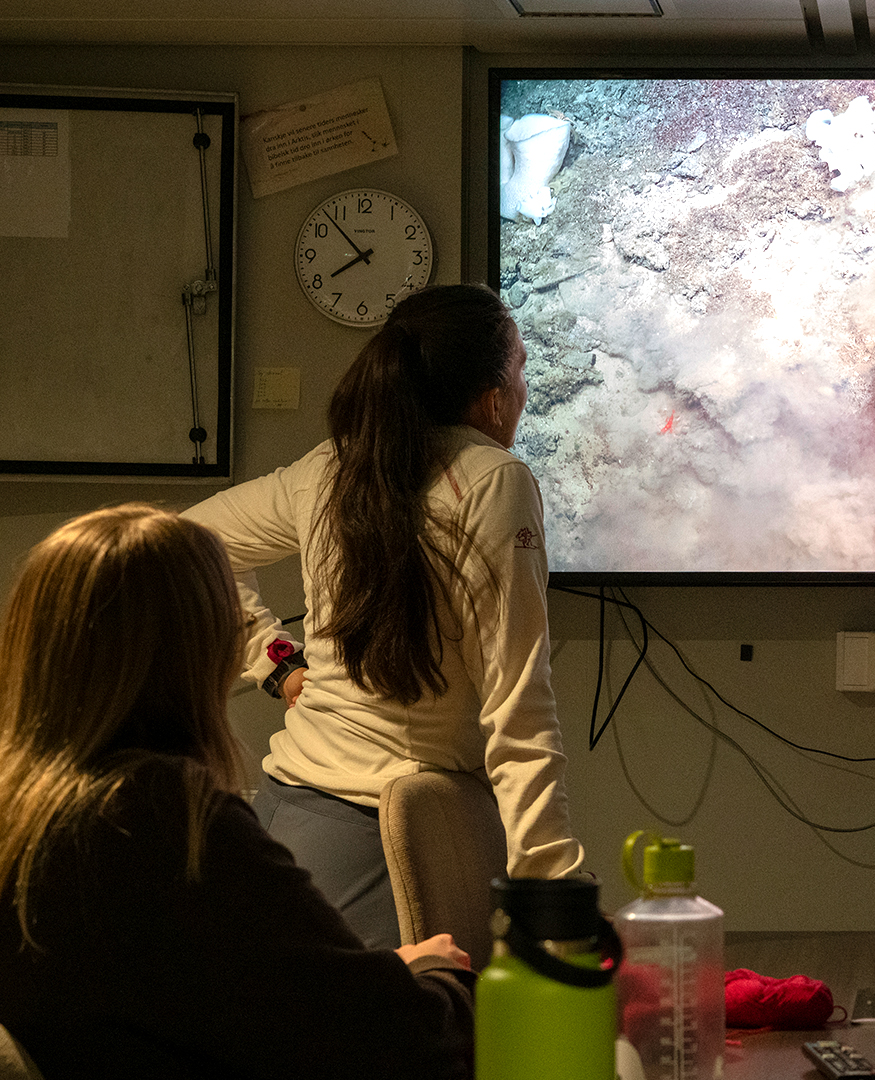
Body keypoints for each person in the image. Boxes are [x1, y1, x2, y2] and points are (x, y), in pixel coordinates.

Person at [0, 505, 476, 1079]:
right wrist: (444, 980)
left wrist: (378, 973)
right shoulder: (163, 817)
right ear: (198, 650)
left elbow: (196, 994)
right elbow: (399, 1043)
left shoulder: (28, 805)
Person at [185, 283, 585, 949]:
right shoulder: (491, 480)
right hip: (398, 844)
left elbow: (191, 540)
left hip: (288, 812)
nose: (521, 387)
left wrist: (276, 664)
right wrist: (556, 896)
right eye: (520, 369)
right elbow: (519, 710)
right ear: (492, 398)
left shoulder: (333, 466)